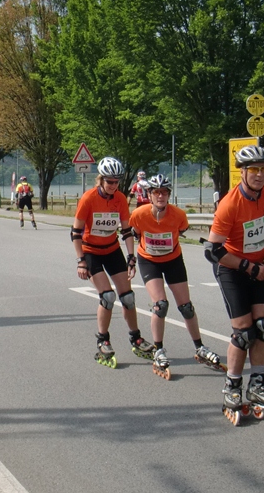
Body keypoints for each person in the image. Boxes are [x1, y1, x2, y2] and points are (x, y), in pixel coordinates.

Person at [204, 145, 264, 421]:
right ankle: (232, 386)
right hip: (232, 268)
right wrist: (251, 268)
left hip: (257, 268)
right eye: (254, 170)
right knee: (244, 333)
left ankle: (258, 383)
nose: (260, 175)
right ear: (242, 172)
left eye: (263, 169)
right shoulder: (230, 204)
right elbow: (213, 251)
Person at [129, 174, 221, 377]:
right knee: (160, 305)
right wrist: (132, 260)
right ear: (150, 195)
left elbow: (182, 230)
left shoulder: (178, 215)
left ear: (169, 195)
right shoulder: (139, 214)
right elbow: (135, 232)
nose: (160, 196)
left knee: (186, 307)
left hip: (173, 260)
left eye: (164, 192)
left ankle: (199, 347)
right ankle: (159, 349)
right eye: (156, 192)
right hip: (149, 260)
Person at [72, 157, 154, 368]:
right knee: (108, 296)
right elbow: (75, 232)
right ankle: (102, 340)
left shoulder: (120, 198)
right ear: (100, 180)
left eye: (116, 182)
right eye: (109, 181)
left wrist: (131, 257)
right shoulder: (88, 198)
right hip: (91, 252)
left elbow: (126, 230)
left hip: (112, 250)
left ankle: (135, 337)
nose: (113, 186)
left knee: (128, 297)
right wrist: (81, 261)